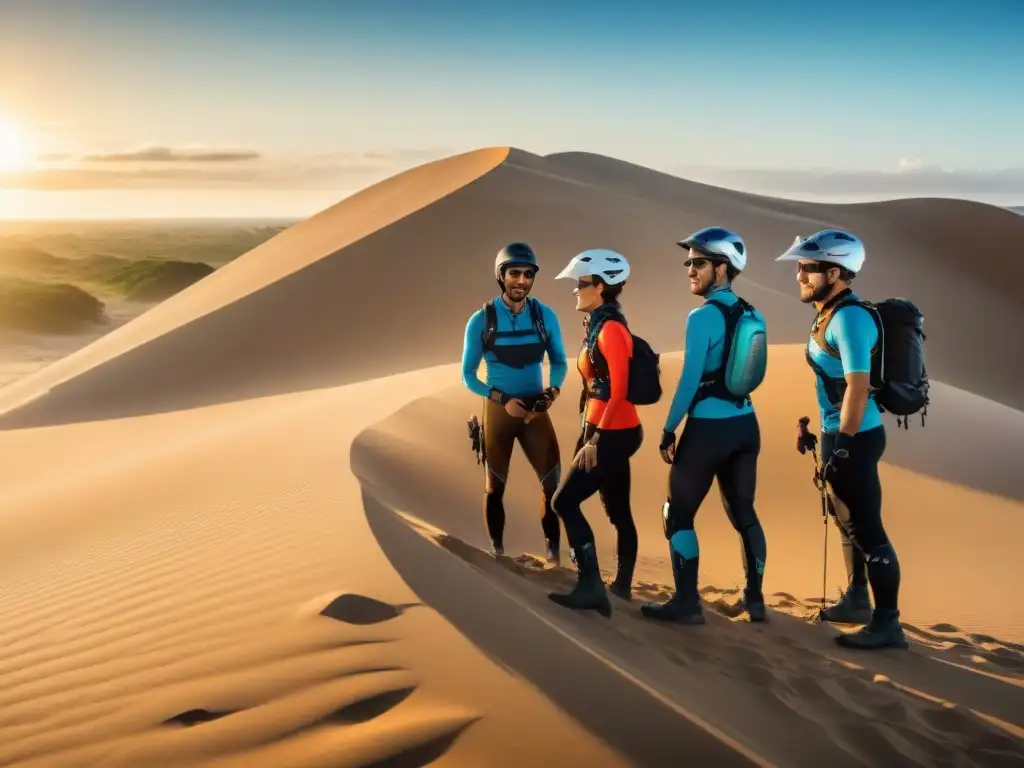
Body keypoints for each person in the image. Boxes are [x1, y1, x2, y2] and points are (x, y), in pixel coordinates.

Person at [777, 229, 908, 650]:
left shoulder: (849, 318)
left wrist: (846, 443)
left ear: (834, 272)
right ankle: (857, 599)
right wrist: (819, 430)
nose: (799, 275)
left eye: (808, 268)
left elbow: (856, 385)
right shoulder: (827, 312)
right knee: (846, 520)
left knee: (869, 530)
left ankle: (888, 624)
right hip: (840, 433)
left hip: (858, 436)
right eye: (799, 267)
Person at [640, 227, 769, 625]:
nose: (689, 270)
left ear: (721, 267)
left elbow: (689, 379)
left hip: (708, 430)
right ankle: (755, 600)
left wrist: (668, 429)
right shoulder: (753, 313)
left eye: (697, 263)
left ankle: (686, 602)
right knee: (744, 513)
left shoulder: (701, 318)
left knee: (676, 514)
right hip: (746, 426)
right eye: (688, 262)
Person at [546, 248, 644, 616]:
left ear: (600, 287)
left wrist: (596, 440)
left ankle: (592, 586)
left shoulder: (613, 330)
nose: (575, 290)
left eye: (581, 283)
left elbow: (619, 389)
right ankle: (620, 588)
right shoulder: (598, 324)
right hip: (606, 428)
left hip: (613, 432)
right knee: (618, 511)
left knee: (564, 501)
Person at [461, 242, 569, 562]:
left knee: (553, 486)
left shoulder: (544, 315)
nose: (521, 280)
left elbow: (560, 363)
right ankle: (498, 554)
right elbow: (468, 375)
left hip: (535, 409)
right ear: (501, 276)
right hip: (500, 410)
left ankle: (553, 556)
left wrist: (553, 393)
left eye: (527, 274)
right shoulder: (481, 320)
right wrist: (501, 400)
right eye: (514, 273)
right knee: (495, 487)